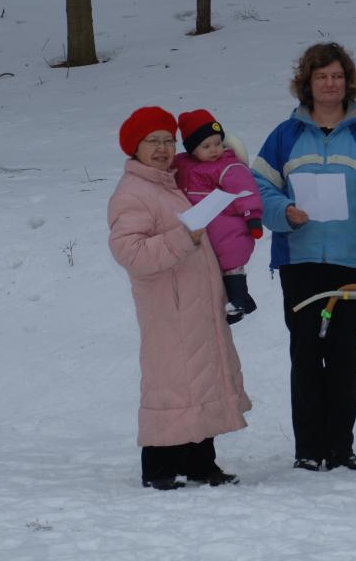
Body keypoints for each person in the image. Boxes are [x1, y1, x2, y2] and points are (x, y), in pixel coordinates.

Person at [252, 42, 356, 473]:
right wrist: (283, 212)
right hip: (299, 263)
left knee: (342, 355)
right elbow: (257, 188)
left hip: (350, 263)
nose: (330, 84)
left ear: (348, 81)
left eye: (337, 76)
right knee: (304, 353)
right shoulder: (285, 135)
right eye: (321, 77)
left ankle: (339, 446)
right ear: (308, 83)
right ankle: (307, 448)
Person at [108, 106, 251, 490]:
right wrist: (183, 237)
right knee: (171, 384)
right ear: (135, 147)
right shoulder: (134, 193)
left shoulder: (170, 184)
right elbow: (131, 253)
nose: (162, 149)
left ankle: (200, 463)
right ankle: (158, 468)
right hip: (168, 308)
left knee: (199, 380)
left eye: (168, 141)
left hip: (194, 303)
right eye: (152, 142)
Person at [173, 109, 264, 324]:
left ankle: (240, 299)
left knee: (231, 260)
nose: (214, 150)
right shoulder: (182, 164)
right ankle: (230, 304)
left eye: (217, 143)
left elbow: (246, 190)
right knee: (209, 269)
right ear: (192, 149)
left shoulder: (228, 166)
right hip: (202, 228)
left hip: (228, 229)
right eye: (206, 146)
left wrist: (252, 218)